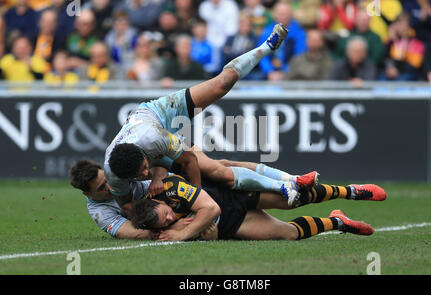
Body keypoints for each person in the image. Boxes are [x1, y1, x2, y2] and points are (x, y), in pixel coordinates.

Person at [104, 24, 319, 215]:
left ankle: (266, 47)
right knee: (220, 171)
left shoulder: (154, 139)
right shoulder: (115, 175)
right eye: (140, 174)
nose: (145, 173)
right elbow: (126, 206)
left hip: (157, 114)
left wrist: (196, 201)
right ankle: (288, 182)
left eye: (144, 167)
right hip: (151, 145)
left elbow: (189, 160)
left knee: (222, 84)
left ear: (144, 156)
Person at [131, 174, 386, 241]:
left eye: (167, 213)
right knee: (289, 234)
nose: (170, 218)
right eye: (165, 222)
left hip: (233, 198)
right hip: (234, 224)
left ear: (157, 201)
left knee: (295, 199)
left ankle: (350, 192)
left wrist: (184, 233)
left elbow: (210, 210)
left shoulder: (170, 187)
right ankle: (338, 221)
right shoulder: (160, 230)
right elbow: (207, 230)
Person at [69, 160, 158, 239]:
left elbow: (157, 164)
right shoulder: (100, 213)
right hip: (160, 216)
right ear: (87, 194)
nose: (109, 186)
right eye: (102, 187)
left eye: (107, 180)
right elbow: (135, 232)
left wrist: (158, 179)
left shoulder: (117, 168)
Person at [257, 1, 307, 81]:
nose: (283, 17)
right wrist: (270, 71)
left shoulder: (299, 32)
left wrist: (285, 71)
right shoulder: (267, 31)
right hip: (269, 74)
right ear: (275, 14)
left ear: (291, 14)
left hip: (291, 73)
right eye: (280, 13)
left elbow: (299, 55)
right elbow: (261, 54)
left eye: (285, 13)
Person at [380, 13, 425, 81]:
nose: (401, 27)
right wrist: (391, 41)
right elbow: (383, 58)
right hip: (391, 72)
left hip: (408, 74)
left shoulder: (416, 41)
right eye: (398, 24)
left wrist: (397, 70)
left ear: (409, 27)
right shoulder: (391, 41)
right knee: (381, 80)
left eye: (403, 25)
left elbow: (415, 65)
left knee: (400, 81)